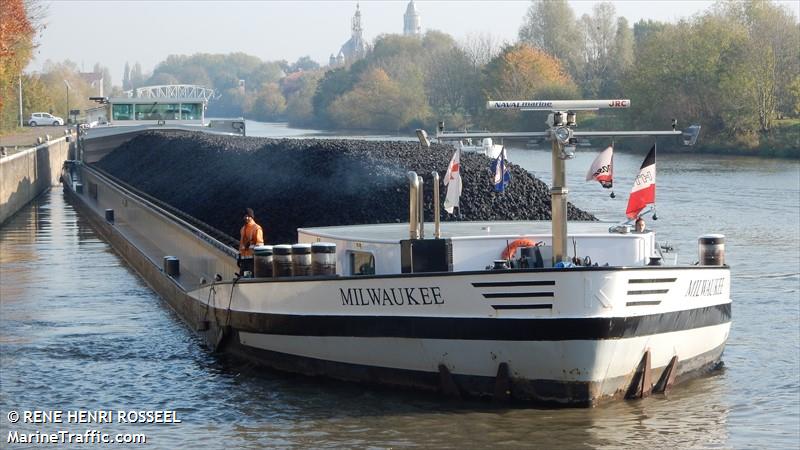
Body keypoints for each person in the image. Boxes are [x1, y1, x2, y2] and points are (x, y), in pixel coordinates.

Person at [239, 208, 264, 276]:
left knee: (250, 278)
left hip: (253, 260)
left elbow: (260, 245)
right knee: (243, 278)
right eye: (245, 216)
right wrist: (239, 256)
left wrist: (250, 246)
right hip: (244, 260)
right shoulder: (242, 229)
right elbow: (241, 244)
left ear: (252, 217)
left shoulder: (257, 228)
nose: (246, 218)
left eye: (248, 216)